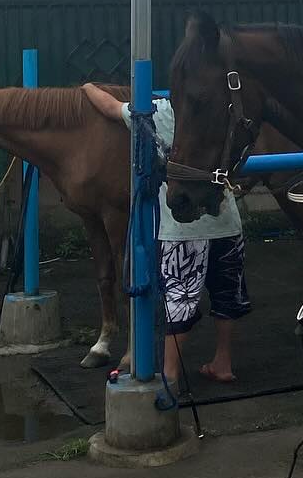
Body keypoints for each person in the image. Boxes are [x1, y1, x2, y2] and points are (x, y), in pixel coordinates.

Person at [84, 86, 250, 385]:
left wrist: (86, 88)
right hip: (226, 221)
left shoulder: (158, 113)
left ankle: (171, 372)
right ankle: (223, 362)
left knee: (180, 298)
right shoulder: (220, 113)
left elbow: (110, 107)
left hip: (182, 226)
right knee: (228, 294)